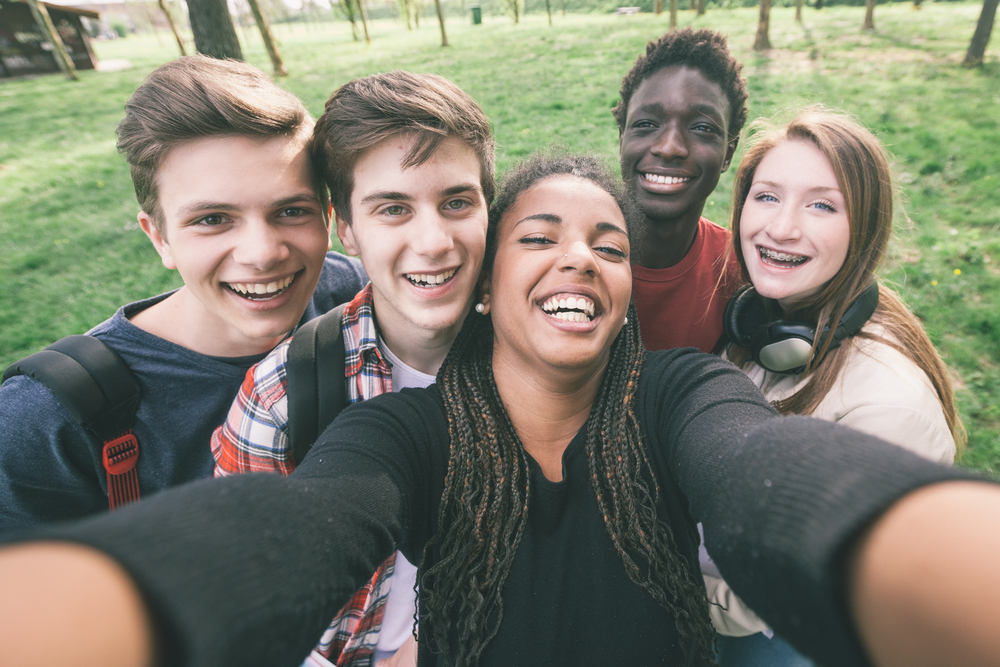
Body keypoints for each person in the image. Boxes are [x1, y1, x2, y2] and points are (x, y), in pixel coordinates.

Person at [0, 155, 992, 667]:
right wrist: (100, 611)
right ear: (484, 285)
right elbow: (304, 524)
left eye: (606, 243)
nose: (579, 256)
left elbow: (768, 471)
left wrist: (928, 551)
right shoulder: (403, 431)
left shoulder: (676, 392)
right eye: (542, 235)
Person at [0, 56, 367, 530]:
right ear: (159, 237)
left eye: (291, 211)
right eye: (212, 219)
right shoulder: (45, 421)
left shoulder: (351, 292)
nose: (262, 253)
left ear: (328, 216)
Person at [211, 70, 494, 667]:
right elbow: (244, 605)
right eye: (393, 208)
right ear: (348, 230)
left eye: (457, 202)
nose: (434, 240)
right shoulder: (283, 396)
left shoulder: (536, 357)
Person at [708, 108, 966, 663]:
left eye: (822, 205)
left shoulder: (891, 407)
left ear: (864, 230)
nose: (780, 227)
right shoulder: (758, 327)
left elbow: (772, 593)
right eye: (767, 195)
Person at [613, 28, 747, 353]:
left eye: (702, 128)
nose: (670, 147)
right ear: (621, 138)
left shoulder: (741, 272)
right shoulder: (567, 257)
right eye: (646, 124)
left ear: (728, 152)